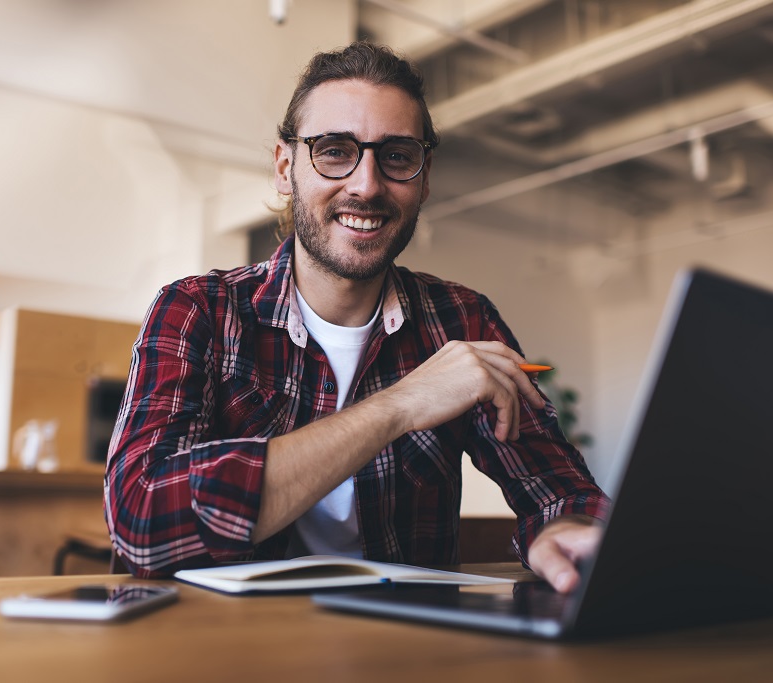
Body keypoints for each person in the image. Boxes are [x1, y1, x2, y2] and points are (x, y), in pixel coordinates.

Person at [105, 41, 610, 593]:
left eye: (396, 156)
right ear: (284, 166)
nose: (367, 185)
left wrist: (560, 526)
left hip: (400, 651)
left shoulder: (461, 318)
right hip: (222, 654)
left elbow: (557, 488)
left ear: (424, 174)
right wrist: (399, 405)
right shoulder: (198, 309)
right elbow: (142, 522)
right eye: (335, 150)